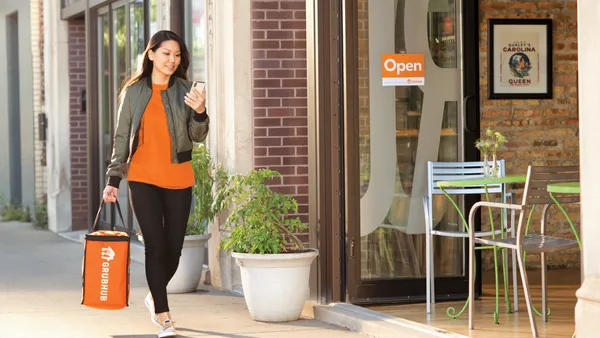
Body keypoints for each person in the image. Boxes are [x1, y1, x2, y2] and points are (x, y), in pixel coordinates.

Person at [102, 30, 209, 338]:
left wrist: (200, 111)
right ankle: (164, 317)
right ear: (150, 54)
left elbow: (198, 137)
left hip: (178, 177)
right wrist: (113, 180)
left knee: (174, 250)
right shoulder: (134, 91)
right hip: (142, 178)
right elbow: (122, 138)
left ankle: (154, 294)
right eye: (166, 54)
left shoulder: (187, 90)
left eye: (177, 55)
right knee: (155, 247)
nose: (172, 60)